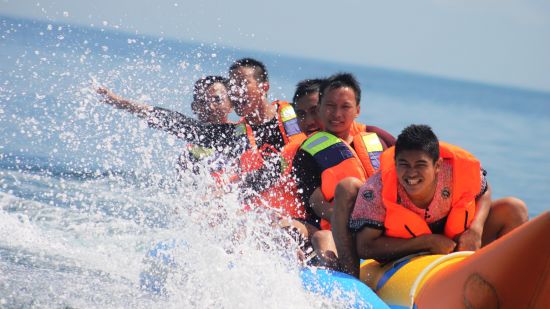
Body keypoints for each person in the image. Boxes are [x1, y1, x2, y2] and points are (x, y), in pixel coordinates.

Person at [332, 124, 528, 277]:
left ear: (437, 165)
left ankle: (505, 282)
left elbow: (484, 190)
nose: (411, 173)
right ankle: (351, 282)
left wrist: (476, 230)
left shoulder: (456, 172)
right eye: (404, 164)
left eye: (420, 165)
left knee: (514, 208)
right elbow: (365, 247)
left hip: (459, 244)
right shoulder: (378, 188)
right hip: (402, 255)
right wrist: (426, 242)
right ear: (395, 163)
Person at [291, 73, 395, 266]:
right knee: (323, 237)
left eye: (345, 107)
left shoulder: (378, 139)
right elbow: (318, 204)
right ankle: (341, 276)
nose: (337, 114)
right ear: (321, 107)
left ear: (357, 110)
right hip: (338, 231)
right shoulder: (306, 154)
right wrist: (357, 224)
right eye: (330, 106)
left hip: (385, 226)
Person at [97, 75, 235, 176]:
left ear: (232, 104)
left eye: (217, 99)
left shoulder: (242, 134)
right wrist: (121, 103)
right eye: (203, 101)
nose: (210, 106)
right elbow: (163, 117)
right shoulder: (190, 151)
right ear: (195, 108)